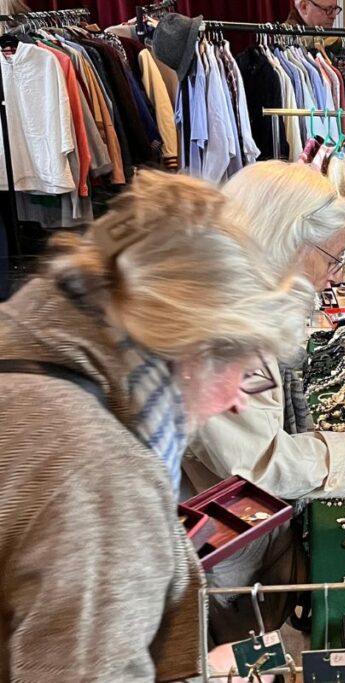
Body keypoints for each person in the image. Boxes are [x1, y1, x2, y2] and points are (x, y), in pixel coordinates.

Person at [0, 172, 313, 681]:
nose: (237, 402)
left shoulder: (25, 345)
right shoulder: (105, 475)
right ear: (194, 351)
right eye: (243, 370)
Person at [183, 161, 345, 642]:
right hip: (197, 564)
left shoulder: (231, 301)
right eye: (333, 259)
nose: (337, 278)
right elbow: (259, 467)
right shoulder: (226, 333)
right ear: (286, 243)